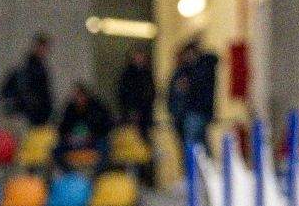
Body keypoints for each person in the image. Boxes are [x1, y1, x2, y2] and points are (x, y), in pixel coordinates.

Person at [167, 40, 218, 153]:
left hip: (194, 113)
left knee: (194, 149)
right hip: (184, 116)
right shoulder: (183, 71)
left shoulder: (201, 70)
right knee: (196, 149)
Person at [116, 45, 157, 183]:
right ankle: (130, 180)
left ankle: (147, 179)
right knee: (130, 149)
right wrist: (131, 112)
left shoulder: (147, 74)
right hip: (130, 119)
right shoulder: (127, 75)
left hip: (145, 119)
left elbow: (151, 94)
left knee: (145, 149)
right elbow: (123, 96)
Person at [0, 33, 54, 127]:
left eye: (44, 48)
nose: (43, 51)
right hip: (28, 115)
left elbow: (45, 93)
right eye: (41, 47)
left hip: (37, 115)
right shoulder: (27, 69)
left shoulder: (40, 68)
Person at [55, 82, 114, 167]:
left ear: (86, 96)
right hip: (75, 142)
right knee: (57, 150)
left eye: (80, 96)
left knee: (104, 147)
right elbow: (62, 129)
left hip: (94, 140)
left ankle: (98, 174)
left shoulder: (97, 108)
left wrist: (93, 136)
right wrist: (68, 137)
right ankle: (70, 174)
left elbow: (107, 125)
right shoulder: (70, 109)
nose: (78, 99)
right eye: (75, 96)